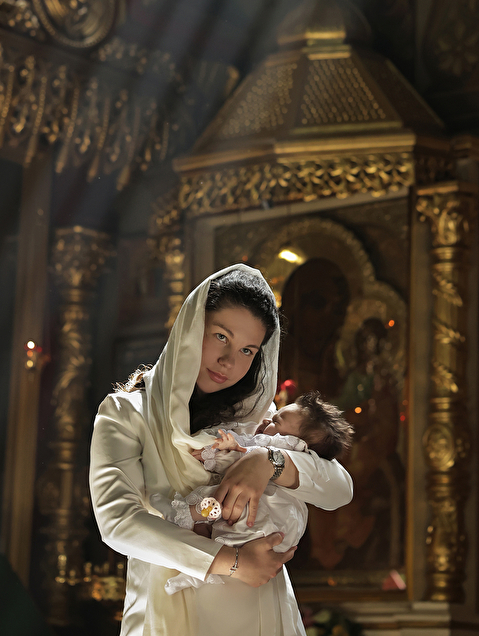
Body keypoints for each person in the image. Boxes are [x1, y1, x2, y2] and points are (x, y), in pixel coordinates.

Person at [89, 264, 353, 636]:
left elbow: (340, 489)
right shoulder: (128, 413)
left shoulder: (257, 418)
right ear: (191, 327)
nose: (230, 361)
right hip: (172, 612)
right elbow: (119, 523)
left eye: (247, 350)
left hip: (262, 613)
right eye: (221, 336)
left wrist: (268, 462)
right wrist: (232, 561)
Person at [151, 391, 354, 595]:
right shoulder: (288, 440)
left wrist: (215, 455)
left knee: (218, 499)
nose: (267, 420)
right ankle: (193, 573)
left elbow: (239, 459)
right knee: (218, 531)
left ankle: (181, 514)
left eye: (276, 421)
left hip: (264, 517)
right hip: (276, 528)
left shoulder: (282, 446)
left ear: (291, 440)